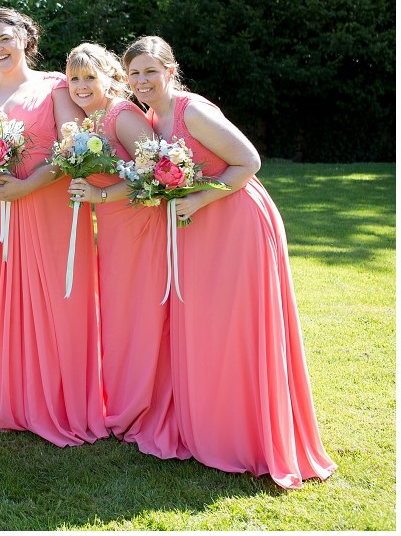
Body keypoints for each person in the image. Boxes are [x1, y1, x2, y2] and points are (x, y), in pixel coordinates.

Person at [123, 35, 336, 488]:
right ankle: (211, 427)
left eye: (150, 71)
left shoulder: (190, 111)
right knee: (206, 329)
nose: (142, 80)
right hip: (198, 229)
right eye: (134, 73)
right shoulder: (149, 117)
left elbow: (248, 162)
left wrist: (198, 201)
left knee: (240, 328)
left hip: (236, 221)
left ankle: (251, 437)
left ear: (170, 71)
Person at [0, 8, 106, 448]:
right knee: (6, 297)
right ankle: (18, 400)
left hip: (48, 203)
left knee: (59, 298)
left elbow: (71, 143)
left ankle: (65, 403)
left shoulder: (54, 86)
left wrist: (27, 185)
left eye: (5, 38)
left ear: (25, 38)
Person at [62, 43, 186, 459]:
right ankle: (121, 400)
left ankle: (139, 408)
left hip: (139, 225)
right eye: (74, 78)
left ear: (110, 77)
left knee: (138, 315)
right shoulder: (93, 118)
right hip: (115, 229)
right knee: (119, 315)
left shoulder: (123, 115)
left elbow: (155, 173)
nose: (80, 86)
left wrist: (103, 194)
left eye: (89, 77)